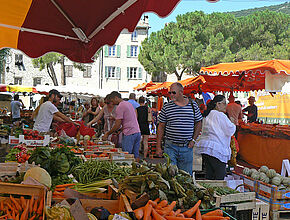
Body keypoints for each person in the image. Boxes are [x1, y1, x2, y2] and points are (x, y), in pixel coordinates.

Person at [156, 82, 203, 175]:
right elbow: (161, 126)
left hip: (186, 147)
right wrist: (158, 146)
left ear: (181, 92)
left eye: (173, 93)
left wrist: (193, 140)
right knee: (170, 175)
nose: (171, 95)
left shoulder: (193, 105)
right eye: (169, 93)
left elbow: (199, 123)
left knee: (185, 176)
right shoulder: (167, 106)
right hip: (170, 146)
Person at [195, 95, 236, 180]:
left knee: (209, 175)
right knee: (219, 176)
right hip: (216, 149)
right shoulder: (220, 115)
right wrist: (233, 123)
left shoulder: (208, 114)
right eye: (224, 103)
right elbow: (230, 130)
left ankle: (208, 192)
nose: (226, 106)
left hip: (207, 148)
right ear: (218, 104)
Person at [102, 91, 141, 159]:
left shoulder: (120, 107)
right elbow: (130, 119)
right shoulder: (128, 104)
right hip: (137, 132)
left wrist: (107, 133)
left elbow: (117, 124)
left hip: (129, 133)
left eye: (112, 100)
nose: (112, 103)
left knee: (126, 156)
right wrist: (120, 130)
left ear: (116, 98)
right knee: (135, 156)